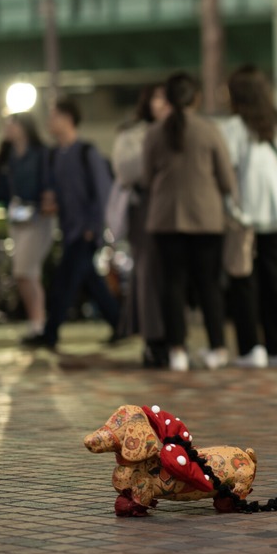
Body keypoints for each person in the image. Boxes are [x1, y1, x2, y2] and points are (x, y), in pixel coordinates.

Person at [142, 72, 237, 372]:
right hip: (206, 219)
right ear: (195, 98)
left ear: (168, 99)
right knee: (208, 285)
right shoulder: (209, 130)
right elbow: (227, 180)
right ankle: (218, 348)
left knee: (172, 286)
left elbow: (146, 178)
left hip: (165, 219)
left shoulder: (154, 133)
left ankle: (177, 351)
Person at [218, 65, 277, 369]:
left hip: (244, 215)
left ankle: (251, 348)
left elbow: (226, 174)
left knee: (244, 281)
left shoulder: (231, 128)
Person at [40, 97, 120, 350]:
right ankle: (121, 324)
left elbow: (103, 191)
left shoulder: (88, 152)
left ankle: (50, 333)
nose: (50, 121)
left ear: (67, 118)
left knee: (65, 281)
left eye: (54, 116)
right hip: (69, 230)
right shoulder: (55, 155)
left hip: (85, 232)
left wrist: (93, 227)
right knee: (90, 282)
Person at [0, 113, 55, 344]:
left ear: (23, 127)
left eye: (11, 124)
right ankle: (37, 326)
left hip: (38, 218)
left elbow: (50, 184)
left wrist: (49, 199)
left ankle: (39, 325)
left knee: (25, 273)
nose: (7, 129)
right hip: (17, 220)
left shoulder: (41, 154)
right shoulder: (6, 157)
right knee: (26, 275)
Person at [111, 84, 171, 367]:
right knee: (148, 275)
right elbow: (126, 170)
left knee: (173, 275)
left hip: (175, 207)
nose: (163, 103)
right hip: (145, 209)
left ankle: (173, 339)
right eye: (158, 97)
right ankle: (153, 339)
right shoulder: (132, 133)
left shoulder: (180, 129)